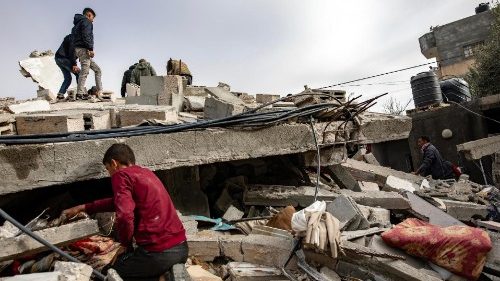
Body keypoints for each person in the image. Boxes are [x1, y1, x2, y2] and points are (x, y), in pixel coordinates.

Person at [62, 144, 187, 280]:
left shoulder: (121, 176)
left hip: (158, 253)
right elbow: (118, 201)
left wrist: (125, 244)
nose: (109, 174)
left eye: (108, 169)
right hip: (181, 249)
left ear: (114, 163)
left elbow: (125, 216)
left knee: (106, 274)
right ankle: (164, 275)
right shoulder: (146, 173)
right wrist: (83, 207)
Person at [72, 7, 102, 100]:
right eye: (93, 18)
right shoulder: (86, 22)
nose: (92, 21)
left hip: (79, 50)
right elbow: (86, 35)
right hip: (84, 49)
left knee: (97, 70)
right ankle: (79, 94)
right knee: (85, 72)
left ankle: (100, 91)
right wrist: (90, 48)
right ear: (89, 15)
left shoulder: (76, 25)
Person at [55, 34, 80, 100]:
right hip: (64, 58)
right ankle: (80, 93)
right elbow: (72, 51)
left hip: (58, 58)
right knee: (79, 73)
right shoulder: (75, 38)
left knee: (68, 78)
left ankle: (60, 94)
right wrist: (74, 64)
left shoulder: (72, 36)